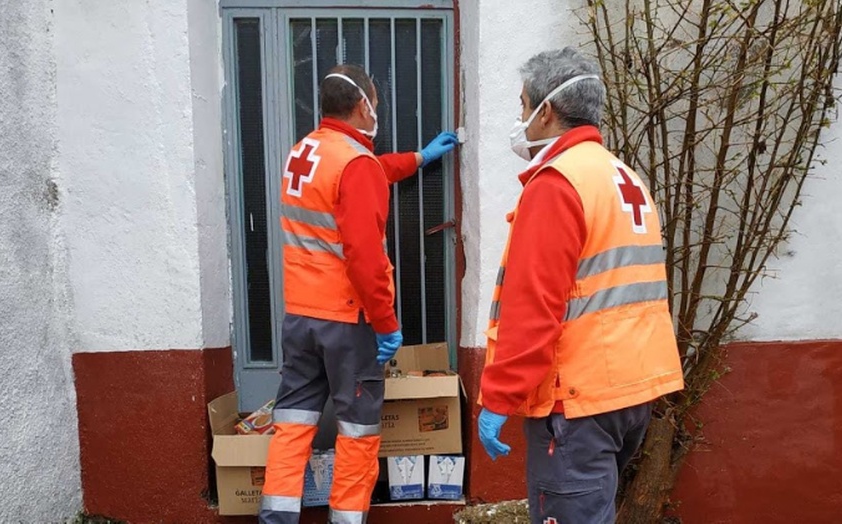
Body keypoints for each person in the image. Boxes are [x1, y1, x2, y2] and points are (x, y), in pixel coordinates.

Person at [477, 48, 684, 524]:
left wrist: (499, 397)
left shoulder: (556, 184)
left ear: (546, 111)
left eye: (523, 106)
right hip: (629, 393)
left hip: (576, 401)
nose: (520, 118)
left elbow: (532, 307)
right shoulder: (624, 178)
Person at [259, 64, 458, 524]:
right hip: (347, 322)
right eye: (376, 103)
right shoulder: (354, 164)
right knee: (357, 429)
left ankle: (276, 518)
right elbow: (366, 258)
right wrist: (387, 325)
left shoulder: (303, 153)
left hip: (300, 317)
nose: (377, 111)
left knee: (293, 422)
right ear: (363, 104)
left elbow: (364, 176)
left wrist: (419, 158)